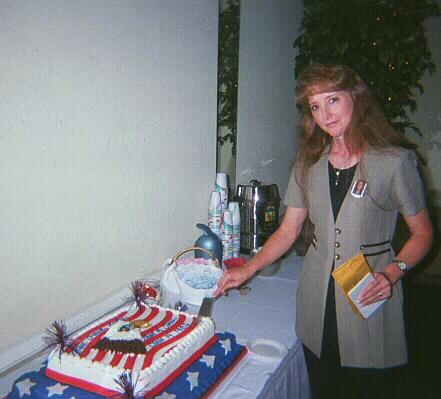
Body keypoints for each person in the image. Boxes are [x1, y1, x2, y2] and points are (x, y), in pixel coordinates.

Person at [214, 64, 433, 398]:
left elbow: (422, 234)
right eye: (316, 106)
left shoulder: (394, 161)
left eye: (333, 100)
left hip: (369, 296)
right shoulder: (308, 163)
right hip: (317, 302)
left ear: (356, 99)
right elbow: (289, 231)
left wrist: (393, 273)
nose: (325, 114)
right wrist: (248, 268)